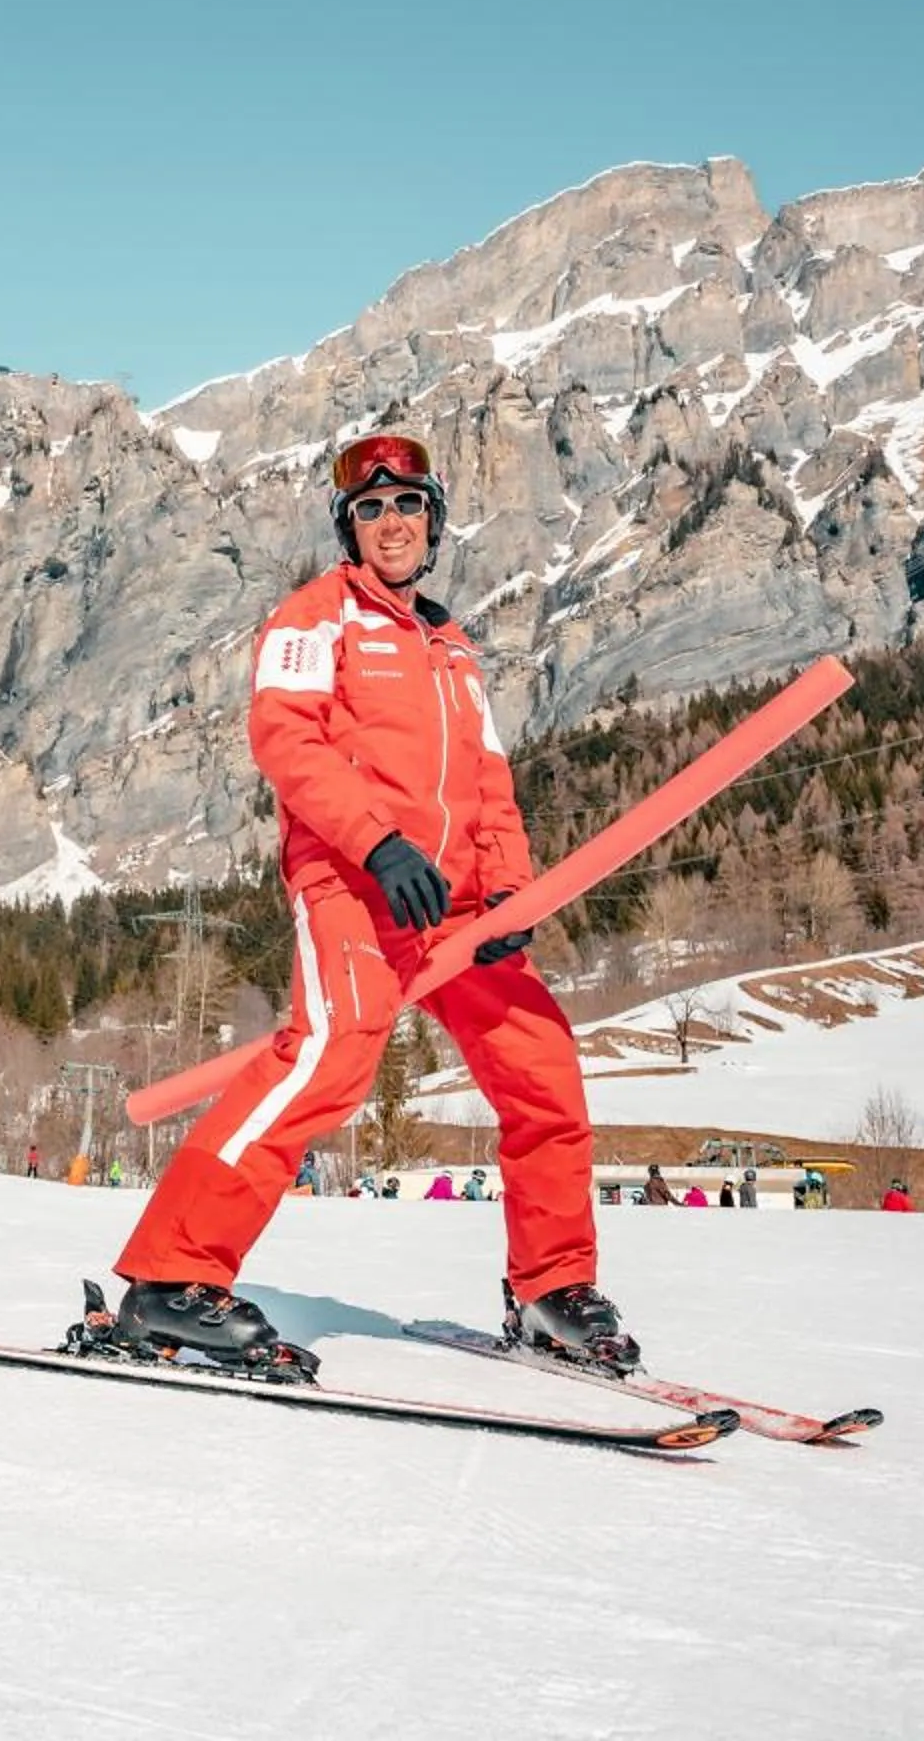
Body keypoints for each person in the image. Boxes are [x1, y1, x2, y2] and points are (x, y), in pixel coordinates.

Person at [104, 434, 634, 1379]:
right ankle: (170, 1284)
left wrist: (510, 889)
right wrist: (377, 845)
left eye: (409, 507)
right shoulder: (316, 620)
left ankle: (551, 1290)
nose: (393, 523)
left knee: (541, 1068)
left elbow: (490, 780)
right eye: (372, 510)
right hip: (355, 884)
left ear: (434, 520)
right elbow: (285, 738)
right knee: (329, 1060)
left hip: (458, 903)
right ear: (349, 527)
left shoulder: (454, 648)